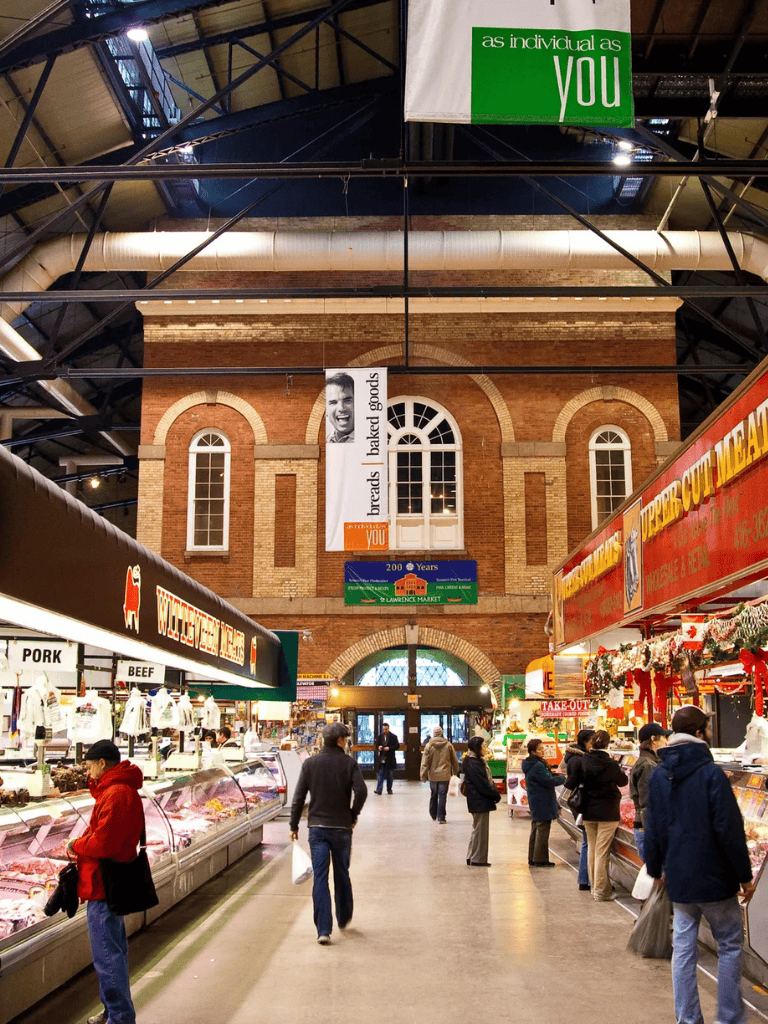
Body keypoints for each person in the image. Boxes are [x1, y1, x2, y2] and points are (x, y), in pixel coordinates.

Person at [645, 705, 754, 1024]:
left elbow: (654, 826)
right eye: (706, 728)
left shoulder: (659, 775)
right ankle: (728, 1017)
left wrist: (655, 869)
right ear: (698, 733)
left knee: (683, 948)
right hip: (716, 878)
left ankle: (688, 1018)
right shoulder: (711, 773)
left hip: (679, 878)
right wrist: (745, 876)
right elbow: (729, 829)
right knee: (730, 944)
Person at [64, 740, 143, 1024]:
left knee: (108, 956)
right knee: (113, 952)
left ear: (101, 763)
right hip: (107, 882)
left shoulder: (117, 792)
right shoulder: (116, 789)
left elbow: (104, 842)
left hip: (103, 884)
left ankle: (120, 1018)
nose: (87, 771)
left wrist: (75, 845)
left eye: (89, 765)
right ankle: (114, 1011)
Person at [289, 722, 367, 945]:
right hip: (342, 827)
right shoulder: (349, 763)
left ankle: (323, 930)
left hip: (318, 829)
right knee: (342, 873)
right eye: (346, 738)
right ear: (340, 740)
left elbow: (298, 797)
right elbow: (361, 791)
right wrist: (353, 814)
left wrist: (293, 825)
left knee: (320, 878)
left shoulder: (310, 764)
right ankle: (343, 917)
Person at [565, 728, 626, 902]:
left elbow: (572, 782)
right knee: (601, 852)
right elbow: (623, 781)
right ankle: (601, 891)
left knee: (592, 849)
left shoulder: (584, 760)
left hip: (588, 810)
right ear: (607, 744)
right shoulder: (611, 763)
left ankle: (594, 887)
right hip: (608, 811)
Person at [629, 721, 671, 861]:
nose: (666, 741)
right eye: (664, 737)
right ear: (653, 739)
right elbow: (648, 802)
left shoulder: (649, 762)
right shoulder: (647, 765)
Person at [522, 737, 566, 867]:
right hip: (543, 800)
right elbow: (548, 781)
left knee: (536, 829)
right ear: (533, 751)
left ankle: (533, 857)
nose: (543, 751)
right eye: (540, 749)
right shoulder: (537, 765)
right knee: (542, 830)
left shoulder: (530, 763)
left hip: (536, 799)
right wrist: (562, 778)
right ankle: (540, 859)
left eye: (543, 748)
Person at [562, 728, 594, 890]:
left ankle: (585, 879)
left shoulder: (575, 756)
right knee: (588, 842)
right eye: (592, 741)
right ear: (586, 741)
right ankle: (585, 880)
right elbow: (572, 781)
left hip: (579, 803)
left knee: (586, 842)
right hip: (583, 803)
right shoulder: (579, 759)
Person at [462, 735, 501, 866]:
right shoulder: (475, 763)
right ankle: (478, 859)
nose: (486, 748)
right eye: (483, 746)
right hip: (479, 800)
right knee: (481, 831)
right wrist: (494, 795)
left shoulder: (473, 761)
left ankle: (471, 856)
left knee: (477, 829)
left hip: (477, 800)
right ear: (477, 748)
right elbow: (482, 784)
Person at [420, 725, 459, 823]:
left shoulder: (429, 746)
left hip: (433, 775)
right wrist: (455, 771)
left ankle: (433, 814)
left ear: (434, 734)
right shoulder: (448, 745)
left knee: (434, 794)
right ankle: (441, 817)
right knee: (442, 795)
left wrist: (423, 775)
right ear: (442, 733)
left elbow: (425, 762)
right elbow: (454, 761)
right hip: (445, 775)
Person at [326, 372, 355, 443]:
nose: (341, 408)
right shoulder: (326, 441)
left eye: (347, 401)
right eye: (333, 402)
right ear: (326, 410)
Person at [373, 722, 399, 795]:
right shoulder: (380, 737)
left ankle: (389, 789)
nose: (384, 731)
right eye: (383, 729)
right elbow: (376, 745)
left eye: (386, 729)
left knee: (390, 775)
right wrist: (379, 747)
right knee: (380, 775)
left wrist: (389, 748)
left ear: (388, 729)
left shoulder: (393, 737)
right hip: (382, 759)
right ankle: (379, 790)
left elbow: (397, 746)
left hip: (390, 759)